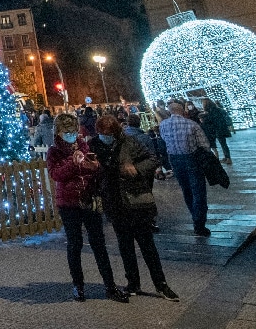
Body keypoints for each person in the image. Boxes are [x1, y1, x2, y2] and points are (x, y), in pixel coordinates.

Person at [90, 115, 179, 301]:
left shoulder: (129, 142)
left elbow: (152, 158)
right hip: (114, 202)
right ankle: (133, 282)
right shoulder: (94, 146)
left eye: (109, 133)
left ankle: (160, 283)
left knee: (147, 244)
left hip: (135, 199)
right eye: (102, 133)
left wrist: (136, 168)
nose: (105, 136)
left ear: (115, 132)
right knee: (125, 245)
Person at [48, 112, 128, 303]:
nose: (71, 135)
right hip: (68, 202)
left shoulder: (84, 145)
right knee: (74, 244)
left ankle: (110, 285)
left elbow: (95, 170)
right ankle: (78, 285)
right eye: (67, 132)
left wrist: (94, 166)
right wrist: (72, 163)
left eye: (73, 131)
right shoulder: (54, 151)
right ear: (58, 132)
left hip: (88, 199)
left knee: (99, 243)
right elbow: (56, 174)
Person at [159, 99, 212, 236]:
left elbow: (164, 140)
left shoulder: (163, 125)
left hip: (174, 160)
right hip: (191, 158)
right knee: (198, 191)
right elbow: (205, 145)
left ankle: (195, 215)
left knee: (186, 190)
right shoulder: (191, 124)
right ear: (182, 110)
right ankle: (199, 222)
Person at [199, 98, 232, 163]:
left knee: (221, 144)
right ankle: (227, 157)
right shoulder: (217, 109)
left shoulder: (209, 111)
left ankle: (228, 158)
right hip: (221, 128)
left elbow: (211, 120)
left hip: (216, 129)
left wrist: (204, 119)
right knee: (223, 143)